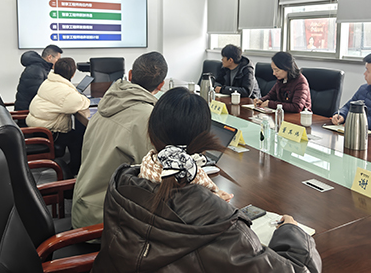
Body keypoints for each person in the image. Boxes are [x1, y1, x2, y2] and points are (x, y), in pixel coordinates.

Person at [91, 87, 322, 273]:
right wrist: (292, 231)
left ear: (151, 132)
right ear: (205, 139)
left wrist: (207, 201)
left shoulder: (124, 180)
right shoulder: (216, 221)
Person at [72, 51, 168, 230]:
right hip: (107, 222)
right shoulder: (148, 118)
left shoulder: (106, 103)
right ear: (161, 85)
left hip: (83, 207)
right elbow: (153, 177)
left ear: (130, 75)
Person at [26, 57, 90, 174]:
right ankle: (75, 169)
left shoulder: (49, 82)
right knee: (78, 137)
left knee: (76, 133)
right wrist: (86, 100)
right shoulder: (64, 90)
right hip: (49, 133)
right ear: (73, 73)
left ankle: (75, 166)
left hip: (37, 126)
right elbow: (77, 104)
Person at [14, 44, 63, 111]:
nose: (59, 62)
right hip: (27, 113)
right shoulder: (36, 70)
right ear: (49, 57)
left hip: (34, 109)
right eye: (58, 59)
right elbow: (40, 94)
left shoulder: (41, 68)